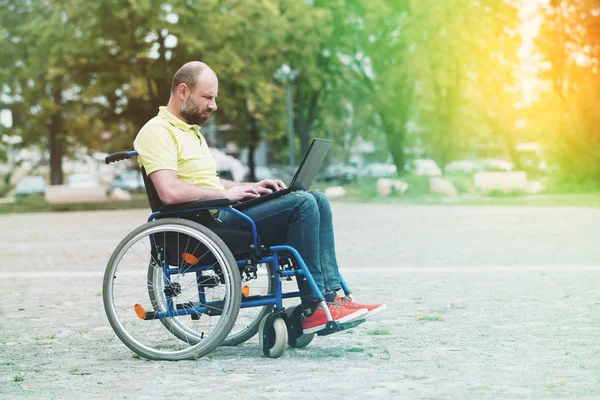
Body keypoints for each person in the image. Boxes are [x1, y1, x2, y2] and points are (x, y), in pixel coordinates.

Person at [133, 61, 385, 334]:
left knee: (317, 199)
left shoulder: (190, 131)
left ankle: (332, 297)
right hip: (201, 228)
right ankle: (314, 306)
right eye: (207, 97)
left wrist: (250, 187)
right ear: (183, 91)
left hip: (217, 213)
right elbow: (169, 192)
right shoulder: (157, 131)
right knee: (303, 204)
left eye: (214, 97)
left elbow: (209, 183)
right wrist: (225, 195)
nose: (214, 105)